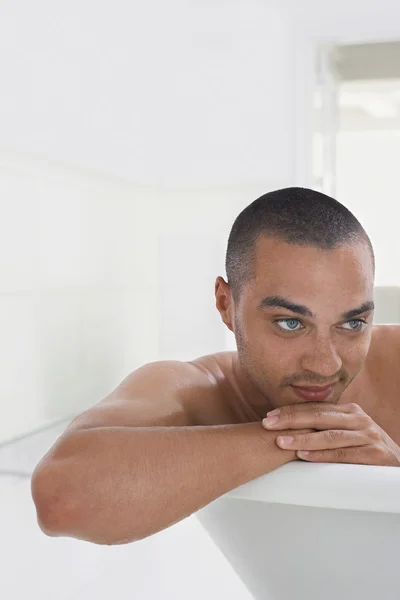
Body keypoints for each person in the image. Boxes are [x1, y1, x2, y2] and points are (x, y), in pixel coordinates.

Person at [31, 186, 400, 546]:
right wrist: (307, 437)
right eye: (290, 323)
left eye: (352, 324)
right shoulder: (195, 391)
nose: (325, 363)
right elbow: (62, 498)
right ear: (226, 304)